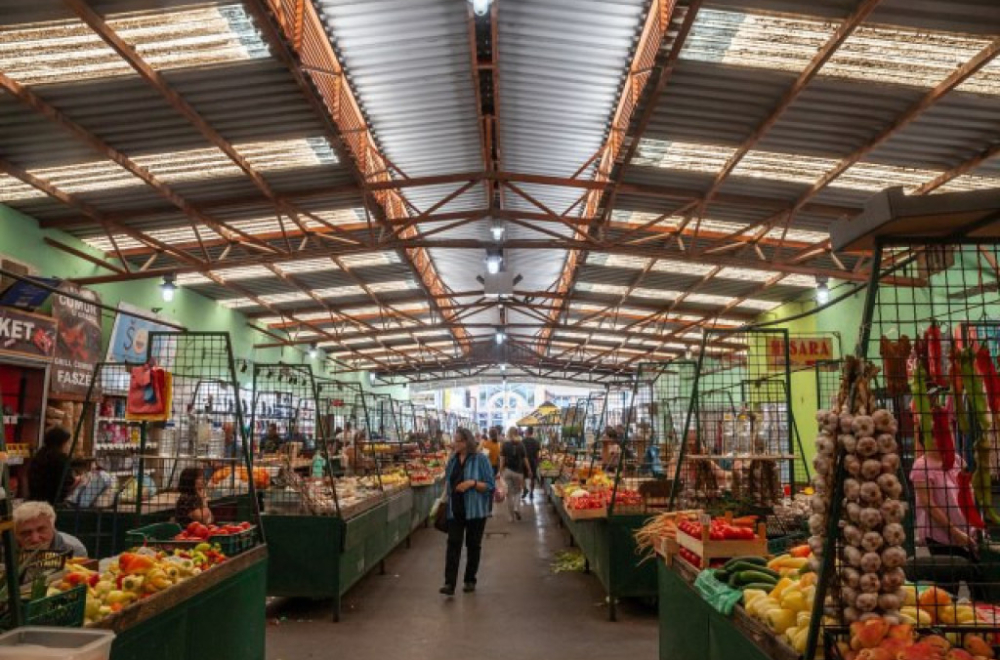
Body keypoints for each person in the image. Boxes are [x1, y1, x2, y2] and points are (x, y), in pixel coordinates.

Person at [441, 427, 495, 595]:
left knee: (473, 546)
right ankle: (449, 584)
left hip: (475, 511)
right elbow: (448, 481)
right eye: (455, 440)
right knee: (453, 545)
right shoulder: (453, 459)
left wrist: (471, 483)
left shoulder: (480, 459)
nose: (454, 443)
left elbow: (490, 485)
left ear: (466, 442)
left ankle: (470, 579)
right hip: (455, 510)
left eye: (458, 441)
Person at [14, 500, 87, 557]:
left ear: (53, 527)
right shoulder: (4, 551)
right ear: (15, 534)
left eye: (41, 530)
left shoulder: (73, 549)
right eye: (26, 533)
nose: (35, 539)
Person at [28, 427, 77, 504]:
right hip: (53, 503)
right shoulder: (61, 459)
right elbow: (66, 484)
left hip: (35, 501)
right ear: (62, 443)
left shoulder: (39, 455)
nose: (69, 446)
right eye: (68, 442)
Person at [497, 427, 532, 522]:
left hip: (507, 471)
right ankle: (516, 508)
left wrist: (499, 471)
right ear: (517, 433)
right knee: (517, 492)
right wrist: (529, 470)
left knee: (509, 494)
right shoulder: (521, 444)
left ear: (508, 433)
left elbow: (502, 460)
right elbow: (525, 459)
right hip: (518, 472)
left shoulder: (505, 445)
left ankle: (511, 517)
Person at [522, 427, 541, 500]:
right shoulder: (536, 441)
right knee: (532, 478)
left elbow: (521, 452)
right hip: (533, 461)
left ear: (527, 432)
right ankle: (531, 492)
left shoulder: (523, 441)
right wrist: (537, 462)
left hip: (524, 462)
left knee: (523, 476)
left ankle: (524, 489)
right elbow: (537, 454)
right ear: (532, 432)